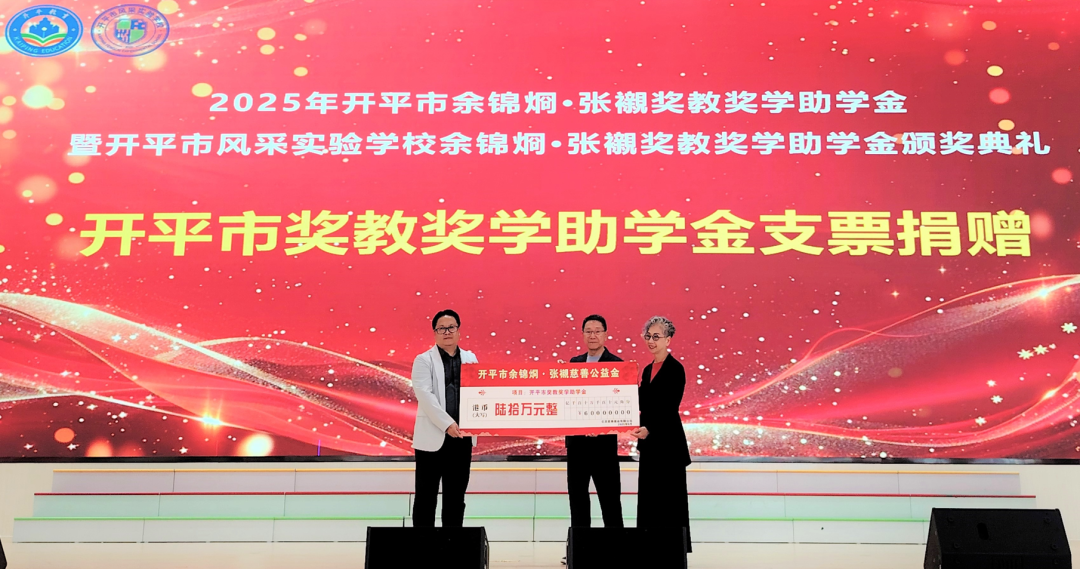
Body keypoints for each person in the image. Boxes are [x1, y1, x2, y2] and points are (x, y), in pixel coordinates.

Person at [411, 309, 478, 527]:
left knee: (456, 497)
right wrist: (447, 423)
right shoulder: (423, 360)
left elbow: (479, 392)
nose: (447, 332)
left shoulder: (470, 359)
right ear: (435, 332)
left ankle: (452, 543)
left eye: (451, 327)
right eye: (442, 328)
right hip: (432, 439)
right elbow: (424, 395)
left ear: (459, 331)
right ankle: (423, 545)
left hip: (462, 438)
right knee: (425, 496)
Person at [630, 316, 692, 551]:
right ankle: (649, 548)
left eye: (656, 336)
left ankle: (673, 550)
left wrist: (650, 428)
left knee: (670, 499)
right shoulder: (647, 370)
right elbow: (639, 402)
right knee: (649, 498)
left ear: (668, 339)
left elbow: (670, 406)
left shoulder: (676, 369)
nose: (651, 341)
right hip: (649, 445)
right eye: (648, 336)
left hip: (669, 444)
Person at [566, 314, 625, 529]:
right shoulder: (573, 364)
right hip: (577, 445)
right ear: (583, 335)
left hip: (604, 446)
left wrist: (603, 426)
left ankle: (616, 545)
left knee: (610, 500)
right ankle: (581, 545)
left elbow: (622, 404)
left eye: (597, 331)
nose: (593, 335)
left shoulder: (617, 365)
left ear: (605, 334)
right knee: (577, 500)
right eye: (588, 331)